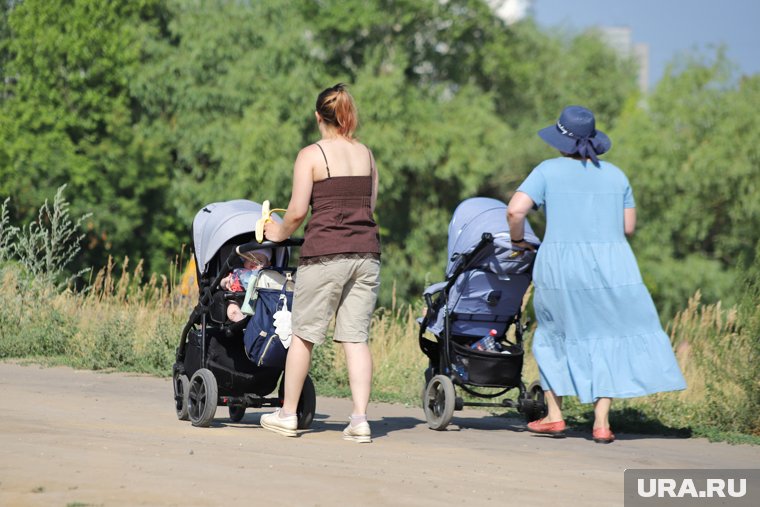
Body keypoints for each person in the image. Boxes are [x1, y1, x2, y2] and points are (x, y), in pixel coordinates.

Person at [507, 105, 686, 444]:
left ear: (560, 140)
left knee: (553, 334)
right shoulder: (617, 175)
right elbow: (628, 227)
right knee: (608, 335)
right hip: (615, 264)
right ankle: (601, 423)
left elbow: (515, 209)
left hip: (561, 262)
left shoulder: (547, 171)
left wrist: (519, 239)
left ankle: (555, 416)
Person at [259, 83, 381, 443]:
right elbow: (369, 207)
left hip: (325, 253)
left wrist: (276, 233)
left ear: (318, 117)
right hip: (367, 254)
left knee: (304, 335)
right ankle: (359, 420)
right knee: (356, 339)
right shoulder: (367, 155)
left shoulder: (311, 155)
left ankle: (288, 414)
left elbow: (297, 211)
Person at [220, 250, 271, 322]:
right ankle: (241, 319)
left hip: (257, 301)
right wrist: (225, 281)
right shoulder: (239, 272)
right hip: (237, 298)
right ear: (244, 261)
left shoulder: (265, 275)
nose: (254, 262)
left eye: (260, 261)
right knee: (232, 307)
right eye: (250, 258)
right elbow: (222, 285)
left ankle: (249, 321)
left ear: (267, 265)